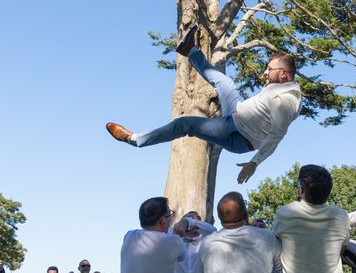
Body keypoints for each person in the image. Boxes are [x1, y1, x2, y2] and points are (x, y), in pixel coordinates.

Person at [106, 26, 302, 184]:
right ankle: (189, 50)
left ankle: (134, 139)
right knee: (225, 83)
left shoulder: (286, 100)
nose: (265, 73)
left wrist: (254, 163)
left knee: (185, 124)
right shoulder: (278, 89)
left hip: (239, 137)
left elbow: (277, 136)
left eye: (270, 69)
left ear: (284, 74)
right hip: (236, 113)